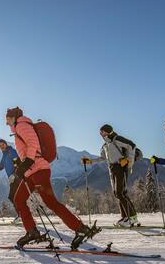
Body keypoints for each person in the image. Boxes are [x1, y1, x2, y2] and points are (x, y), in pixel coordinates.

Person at [6, 106, 99, 249]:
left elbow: (33, 143)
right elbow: (27, 149)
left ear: (15, 117)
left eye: (8, 119)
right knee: (19, 200)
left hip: (38, 169)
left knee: (51, 203)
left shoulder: (22, 125)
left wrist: (28, 162)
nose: (7, 123)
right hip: (31, 172)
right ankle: (32, 232)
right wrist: (22, 164)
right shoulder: (20, 127)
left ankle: (81, 229)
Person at [81, 124, 139, 227]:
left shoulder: (117, 139)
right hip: (112, 169)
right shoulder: (105, 145)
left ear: (107, 131)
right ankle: (126, 217)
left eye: (102, 131)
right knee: (117, 193)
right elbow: (102, 158)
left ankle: (131, 218)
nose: (100, 133)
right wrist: (90, 161)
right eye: (100, 132)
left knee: (121, 192)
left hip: (121, 167)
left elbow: (132, 145)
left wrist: (128, 161)